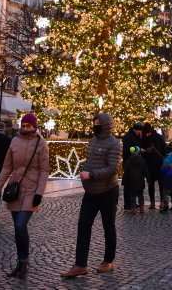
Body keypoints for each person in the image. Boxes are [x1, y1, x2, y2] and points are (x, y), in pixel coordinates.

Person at [61, 113, 122, 278]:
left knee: (108, 226)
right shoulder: (93, 141)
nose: (94, 125)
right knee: (83, 225)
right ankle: (80, 264)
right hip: (91, 192)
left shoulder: (114, 143)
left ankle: (108, 261)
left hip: (108, 191)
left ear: (105, 125)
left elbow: (112, 169)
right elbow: (90, 160)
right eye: (94, 122)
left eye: (97, 123)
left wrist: (92, 175)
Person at [0, 114, 49, 279]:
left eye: (28, 125)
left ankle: (23, 261)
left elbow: (44, 171)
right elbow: (6, 168)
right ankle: (21, 262)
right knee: (18, 230)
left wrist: (39, 193)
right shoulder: (14, 142)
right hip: (15, 189)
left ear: (34, 126)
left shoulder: (41, 144)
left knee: (20, 225)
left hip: (31, 190)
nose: (25, 128)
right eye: (23, 125)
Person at [141, 122, 166, 208]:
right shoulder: (159, 137)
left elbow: (143, 152)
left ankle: (153, 203)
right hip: (159, 163)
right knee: (160, 184)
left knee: (151, 184)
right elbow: (164, 149)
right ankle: (161, 202)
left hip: (151, 164)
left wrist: (145, 152)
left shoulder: (146, 138)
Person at [121, 123, 145, 212]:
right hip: (129, 163)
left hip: (133, 163)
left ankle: (132, 203)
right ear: (136, 130)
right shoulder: (128, 137)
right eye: (140, 131)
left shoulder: (136, 136)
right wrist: (139, 149)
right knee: (128, 184)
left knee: (133, 184)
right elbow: (128, 149)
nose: (141, 132)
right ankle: (128, 204)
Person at [122, 146, 146, 213]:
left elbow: (126, 172)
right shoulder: (142, 160)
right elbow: (145, 170)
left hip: (131, 180)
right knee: (140, 195)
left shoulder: (129, 160)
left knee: (133, 195)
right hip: (140, 180)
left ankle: (133, 209)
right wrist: (147, 178)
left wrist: (124, 181)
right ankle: (142, 208)